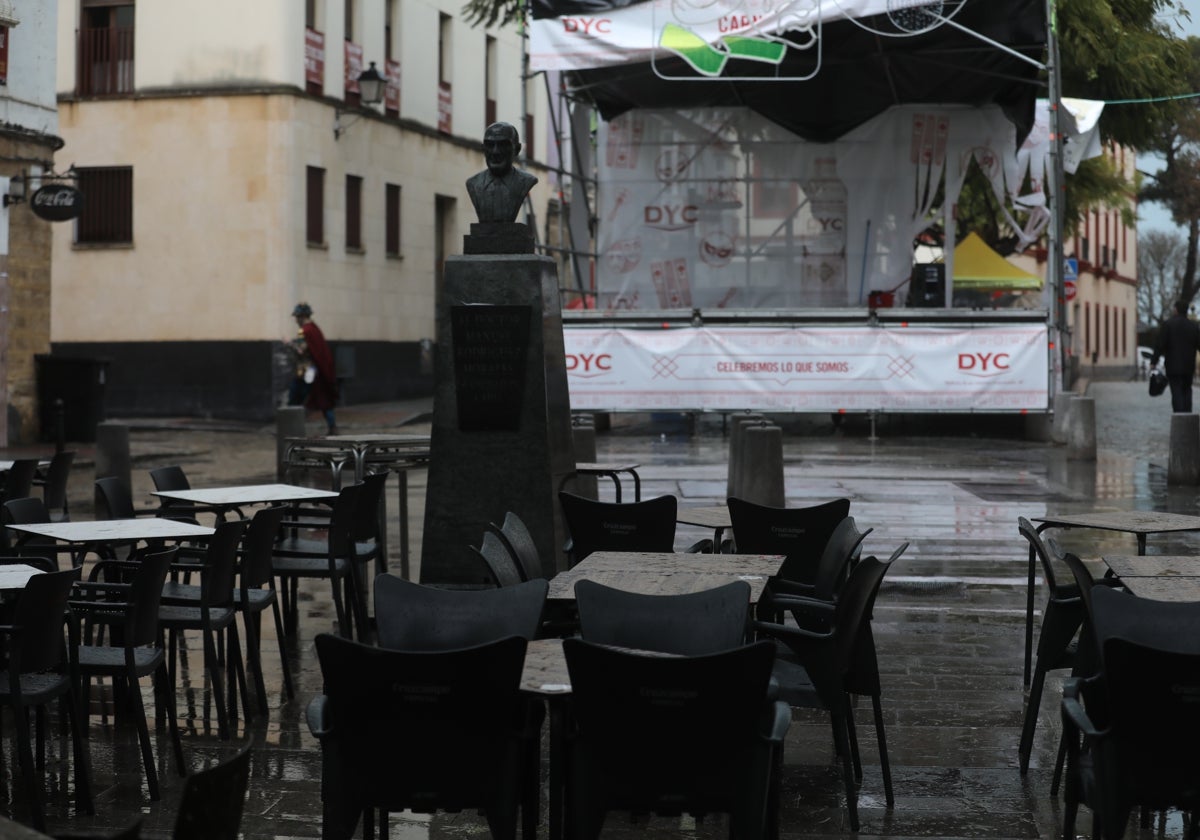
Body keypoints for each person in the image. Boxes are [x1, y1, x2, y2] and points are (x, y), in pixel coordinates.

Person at [465, 122, 539, 224]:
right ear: (483, 149)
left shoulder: (525, 181)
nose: (495, 152)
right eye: (490, 145)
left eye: (503, 145)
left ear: (517, 149)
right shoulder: (473, 184)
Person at [288, 302, 339, 434]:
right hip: (316, 371)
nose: (296, 320)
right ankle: (332, 426)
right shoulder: (315, 328)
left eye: (297, 317)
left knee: (295, 398)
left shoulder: (305, 330)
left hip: (306, 372)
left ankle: (290, 428)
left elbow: (301, 350)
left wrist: (289, 343)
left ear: (301, 316)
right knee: (322, 399)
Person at [1151, 299, 1200, 413]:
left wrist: (1154, 361)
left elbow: (1160, 345)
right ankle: (1188, 414)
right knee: (1187, 390)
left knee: (1176, 390)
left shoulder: (1168, 325)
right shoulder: (1193, 327)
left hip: (1173, 365)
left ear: (1176, 309)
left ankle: (1179, 415)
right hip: (1188, 366)